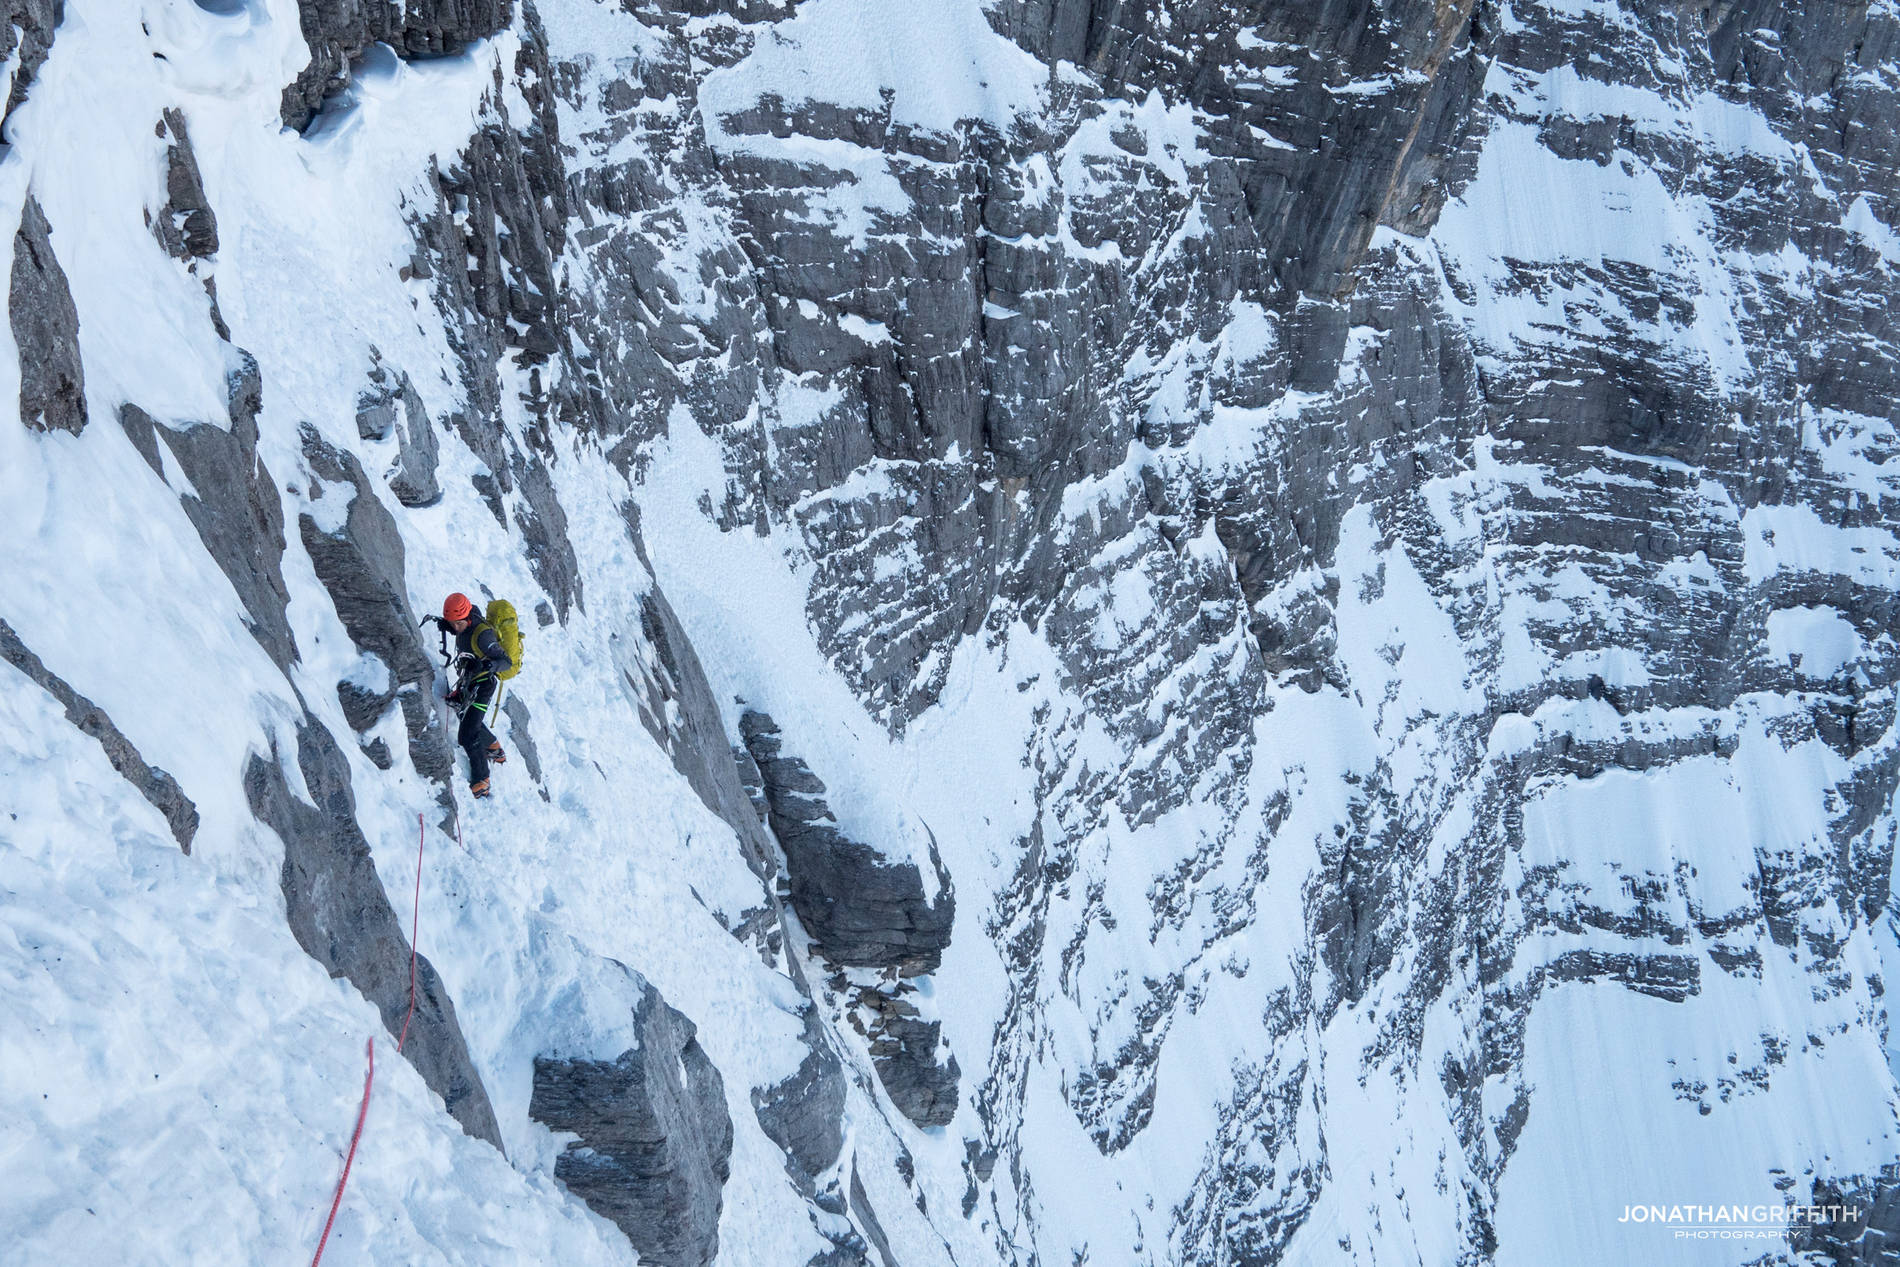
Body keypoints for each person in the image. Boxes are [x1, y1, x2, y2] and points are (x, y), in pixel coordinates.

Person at [438, 592, 511, 798]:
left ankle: (483, 779)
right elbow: (463, 632)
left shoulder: (483, 635)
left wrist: (489, 664)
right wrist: (450, 627)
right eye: (451, 623)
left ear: (467, 616)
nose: (455, 628)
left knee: (467, 734)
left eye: (458, 624)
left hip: (483, 685)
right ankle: (493, 746)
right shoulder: (463, 624)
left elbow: (506, 662)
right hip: (469, 682)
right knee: (464, 714)